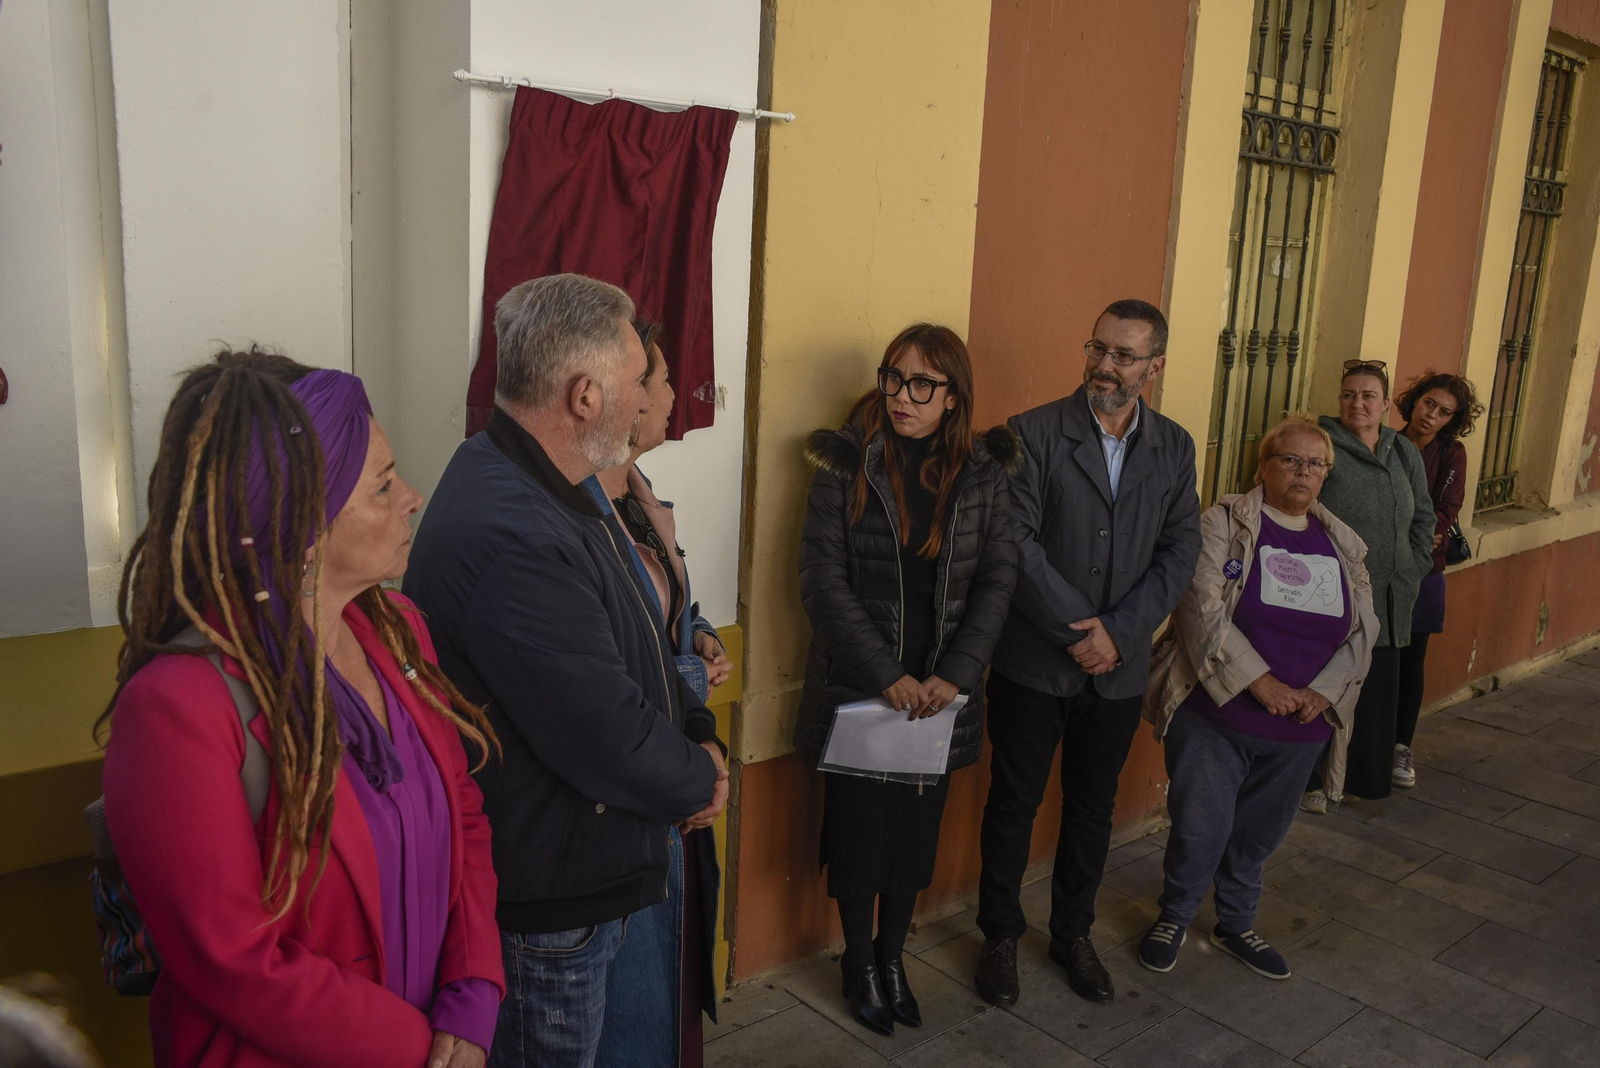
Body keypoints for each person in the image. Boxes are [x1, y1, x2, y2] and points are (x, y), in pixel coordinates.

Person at [101, 350, 504, 1068]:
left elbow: (464, 813)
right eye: (382, 487)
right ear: (300, 527)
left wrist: (472, 997)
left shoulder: (395, 627)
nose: (412, 496)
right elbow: (232, 960)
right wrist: (419, 1052)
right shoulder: (178, 709)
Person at [403, 274, 728, 1068]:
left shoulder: (549, 479)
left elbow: (640, 643)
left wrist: (694, 732)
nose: (653, 397)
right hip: (550, 908)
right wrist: (703, 777)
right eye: (635, 378)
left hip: (581, 867)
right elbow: (602, 729)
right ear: (586, 395)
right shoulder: (516, 527)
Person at [974, 299, 1202, 1007]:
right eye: (1098, 348)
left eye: (1124, 355)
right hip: (1036, 665)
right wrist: (1083, 631)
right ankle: (1000, 939)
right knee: (1013, 803)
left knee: (1092, 811)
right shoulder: (1033, 434)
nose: (1105, 364)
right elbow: (1015, 541)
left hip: (1118, 670)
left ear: (1154, 367)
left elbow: (1181, 547)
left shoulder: (1174, 446)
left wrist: (1122, 633)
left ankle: (1074, 933)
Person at [795, 324, 1019, 1037]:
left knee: (914, 835)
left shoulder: (983, 474)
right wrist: (886, 674)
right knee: (860, 833)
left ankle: (893, 959)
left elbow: (997, 580)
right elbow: (822, 584)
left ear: (954, 397)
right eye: (894, 378)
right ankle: (858, 962)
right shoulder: (845, 464)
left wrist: (954, 675)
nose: (902, 396)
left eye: (923, 384)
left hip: (940, 694)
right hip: (864, 684)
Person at [1137, 415, 1377, 979]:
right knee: (1201, 824)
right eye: (1290, 460)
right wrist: (1258, 682)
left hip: (1302, 724)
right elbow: (1200, 610)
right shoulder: (1224, 524)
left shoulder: (1342, 543)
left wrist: (1321, 693)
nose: (1303, 472)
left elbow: (1364, 632)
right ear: (1264, 466)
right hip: (1219, 715)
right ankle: (1173, 914)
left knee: (1259, 832)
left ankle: (1236, 923)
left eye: (1315, 464)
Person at [583, 319, 728, 1066]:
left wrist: (697, 631)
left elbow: (663, 605)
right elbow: (611, 662)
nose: (673, 395)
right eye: (657, 379)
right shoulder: (584, 512)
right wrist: (691, 681)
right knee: (636, 996)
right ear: (619, 400)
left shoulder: (640, 498)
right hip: (642, 778)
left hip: (676, 760)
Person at [1301, 360, 1433, 811]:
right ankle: (1312, 782)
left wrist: (1413, 565)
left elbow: (1424, 516)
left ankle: (1361, 779)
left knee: (1374, 695)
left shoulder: (1403, 452)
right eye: (1349, 395)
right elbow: (1301, 508)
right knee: (1329, 687)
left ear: (1385, 403)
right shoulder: (1322, 445)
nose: (1358, 403)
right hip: (1334, 593)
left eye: (1368, 395)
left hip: (1393, 595)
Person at [1391, 371, 1482, 789]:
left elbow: (1446, 509)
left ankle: (1400, 747)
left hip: (1425, 570)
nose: (1432, 416)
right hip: (1380, 568)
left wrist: (1418, 532)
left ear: (1453, 420)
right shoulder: (1386, 443)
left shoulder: (1451, 454)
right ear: (1415, 401)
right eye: (1429, 404)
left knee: (1412, 660)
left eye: (1445, 412)